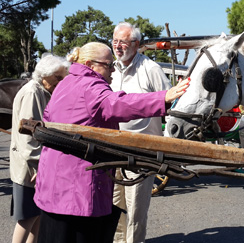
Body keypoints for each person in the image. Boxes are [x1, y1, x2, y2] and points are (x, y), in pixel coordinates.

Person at [33, 42, 189, 243]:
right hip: (78, 193)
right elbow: (117, 104)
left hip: (53, 188)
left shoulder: (65, 83)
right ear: (90, 64)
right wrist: (163, 98)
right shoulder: (90, 86)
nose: (114, 69)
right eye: (109, 65)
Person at [110, 22, 173, 243]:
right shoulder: (110, 69)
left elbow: (170, 104)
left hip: (141, 152)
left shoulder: (150, 69)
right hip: (111, 149)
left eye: (123, 42)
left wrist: (168, 144)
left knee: (135, 208)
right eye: (115, 41)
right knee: (115, 205)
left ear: (136, 44)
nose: (118, 46)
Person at [10, 54, 69, 243]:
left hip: (33, 166)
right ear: (44, 74)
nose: (60, 82)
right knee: (27, 218)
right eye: (57, 78)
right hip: (29, 169)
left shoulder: (40, 91)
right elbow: (29, 135)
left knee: (36, 217)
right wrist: (39, 166)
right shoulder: (33, 92)